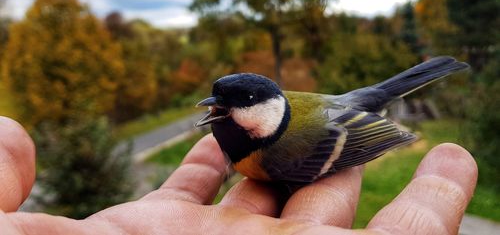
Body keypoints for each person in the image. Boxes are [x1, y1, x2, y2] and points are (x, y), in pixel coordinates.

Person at [0, 116, 477, 234]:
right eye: (216, 105)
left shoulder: (276, 151)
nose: (217, 114)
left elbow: (352, 140)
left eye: (231, 109)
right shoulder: (250, 144)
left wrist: (394, 135)